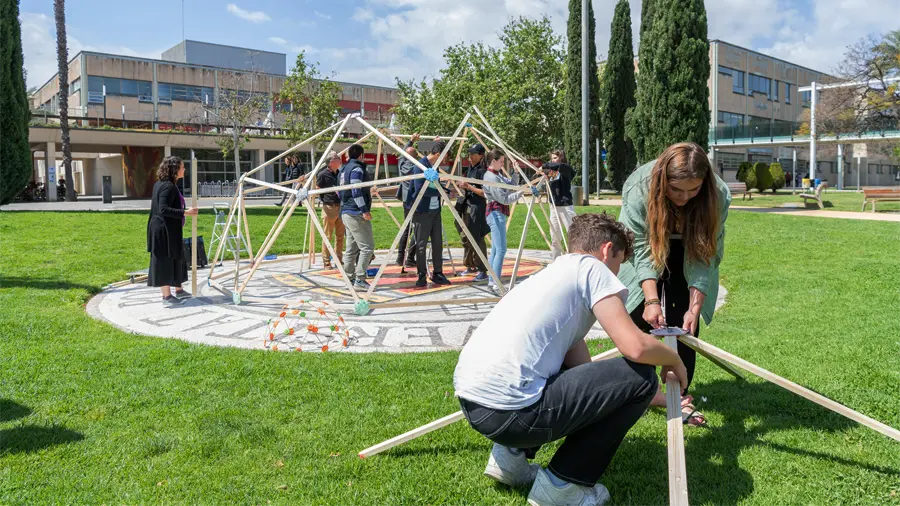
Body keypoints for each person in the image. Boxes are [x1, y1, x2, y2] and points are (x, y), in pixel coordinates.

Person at [453, 212, 688, 506]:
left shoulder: (552, 274)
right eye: (618, 263)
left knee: (621, 381)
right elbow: (636, 347)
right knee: (641, 377)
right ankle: (562, 485)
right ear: (606, 251)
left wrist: (643, 398)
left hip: (475, 405)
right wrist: (673, 359)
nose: (616, 274)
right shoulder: (592, 269)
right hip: (513, 413)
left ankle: (510, 460)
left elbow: (582, 371)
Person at [618, 142, 731, 427]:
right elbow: (641, 250)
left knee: (685, 325)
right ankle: (638, 391)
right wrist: (651, 300)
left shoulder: (717, 195)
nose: (684, 197)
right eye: (676, 189)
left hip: (689, 246)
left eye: (693, 190)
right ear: (662, 181)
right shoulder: (639, 188)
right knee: (638, 317)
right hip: (648, 243)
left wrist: (695, 307)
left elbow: (705, 255)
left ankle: (679, 393)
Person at [147, 156, 199, 306]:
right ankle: (166, 297)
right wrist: (185, 212)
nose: (184, 169)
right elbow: (163, 209)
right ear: (175, 169)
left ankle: (179, 289)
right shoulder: (167, 186)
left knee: (176, 257)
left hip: (170, 229)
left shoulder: (164, 184)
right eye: (182, 167)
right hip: (163, 231)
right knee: (164, 260)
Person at [406, 141, 452, 288]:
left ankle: (438, 273)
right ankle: (421, 274)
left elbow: (435, 185)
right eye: (444, 157)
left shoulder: (434, 166)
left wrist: (446, 190)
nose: (445, 161)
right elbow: (421, 189)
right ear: (438, 154)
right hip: (422, 211)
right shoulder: (420, 166)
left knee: (437, 243)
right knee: (421, 244)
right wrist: (441, 192)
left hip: (435, 211)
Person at [482, 149, 524, 293]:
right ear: (493, 161)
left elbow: (511, 185)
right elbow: (504, 199)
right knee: (501, 250)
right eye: (500, 161)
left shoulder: (497, 174)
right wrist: (521, 193)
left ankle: (492, 281)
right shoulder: (491, 177)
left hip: (497, 213)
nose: (502, 164)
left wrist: (516, 173)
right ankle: (495, 283)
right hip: (495, 213)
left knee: (495, 249)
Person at [338, 144, 374, 290]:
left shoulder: (343, 169)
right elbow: (356, 191)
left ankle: (349, 278)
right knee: (367, 248)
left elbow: (339, 191)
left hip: (345, 211)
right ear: (361, 155)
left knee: (351, 249)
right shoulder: (357, 169)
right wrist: (364, 210)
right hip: (355, 213)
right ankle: (360, 278)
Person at [457, 144, 490, 281]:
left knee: (476, 237)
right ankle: (470, 265)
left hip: (477, 207)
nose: (469, 156)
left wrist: (468, 186)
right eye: (469, 153)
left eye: (473, 154)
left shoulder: (483, 172)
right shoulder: (470, 169)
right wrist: (463, 186)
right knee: (465, 235)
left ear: (481, 155)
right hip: (467, 205)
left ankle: (483, 269)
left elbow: (485, 192)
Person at [541, 150, 576, 260]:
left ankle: (573, 260)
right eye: (552, 158)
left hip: (565, 207)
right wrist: (544, 174)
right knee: (555, 236)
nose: (553, 160)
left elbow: (558, 166)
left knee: (572, 235)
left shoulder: (565, 169)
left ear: (561, 158)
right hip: (554, 207)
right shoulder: (552, 172)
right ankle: (556, 261)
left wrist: (543, 166)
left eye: (555, 158)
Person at [316, 150, 345, 270]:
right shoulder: (323, 174)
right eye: (338, 158)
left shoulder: (339, 173)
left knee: (340, 236)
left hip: (340, 207)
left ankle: (339, 259)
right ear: (331, 162)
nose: (340, 159)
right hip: (329, 207)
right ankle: (326, 261)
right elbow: (317, 188)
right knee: (327, 236)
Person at [395, 135, 420, 268]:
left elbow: (402, 154)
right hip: (416, 201)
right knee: (418, 229)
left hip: (406, 201)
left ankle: (400, 258)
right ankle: (410, 257)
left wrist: (411, 140)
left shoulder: (402, 165)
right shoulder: (418, 167)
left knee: (406, 229)